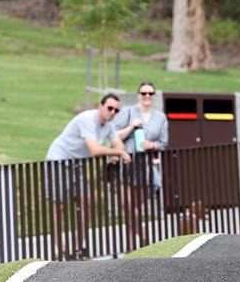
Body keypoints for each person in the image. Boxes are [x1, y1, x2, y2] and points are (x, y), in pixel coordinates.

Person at [45, 93, 131, 257]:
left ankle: (78, 246)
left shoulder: (108, 124)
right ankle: (61, 249)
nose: (112, 112)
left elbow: (117, 142)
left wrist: (117, 151)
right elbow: (95, 150)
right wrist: (118, 153)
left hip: (77, 164)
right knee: (59, 207)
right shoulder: (87, 119)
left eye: (116, 110)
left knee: (87, 201)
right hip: (58, 161)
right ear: (100, 106)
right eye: (110, 108)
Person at [114, 81, 168, 248]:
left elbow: (163, 143)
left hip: (145, 166)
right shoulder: (127, 112)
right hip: (127, 163)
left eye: (150, 93)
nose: (147, 96)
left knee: (134, 208)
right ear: (138, 95)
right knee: (127, 206)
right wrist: (132, 126)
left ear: (154, 96)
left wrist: (151, 145)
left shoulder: (160, 118)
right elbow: (114, 135)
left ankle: (134, 245)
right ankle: (141, 241)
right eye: (144, 93)